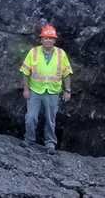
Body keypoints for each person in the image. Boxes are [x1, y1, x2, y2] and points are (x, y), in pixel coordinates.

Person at [19, 23, 73, 155]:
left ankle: (50, 143)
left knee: (50, 119)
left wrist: (68, 90)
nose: (48, 40)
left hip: (53, 92)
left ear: (54, 40)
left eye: (51, 38)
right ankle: (29, 140)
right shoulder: (34, 52)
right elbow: (25, 72)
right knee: (31, 117)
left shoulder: (61, 54)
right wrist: (26, 89)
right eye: (45, 38)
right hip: (35, 91)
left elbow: (67, 73)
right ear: (41, 39)